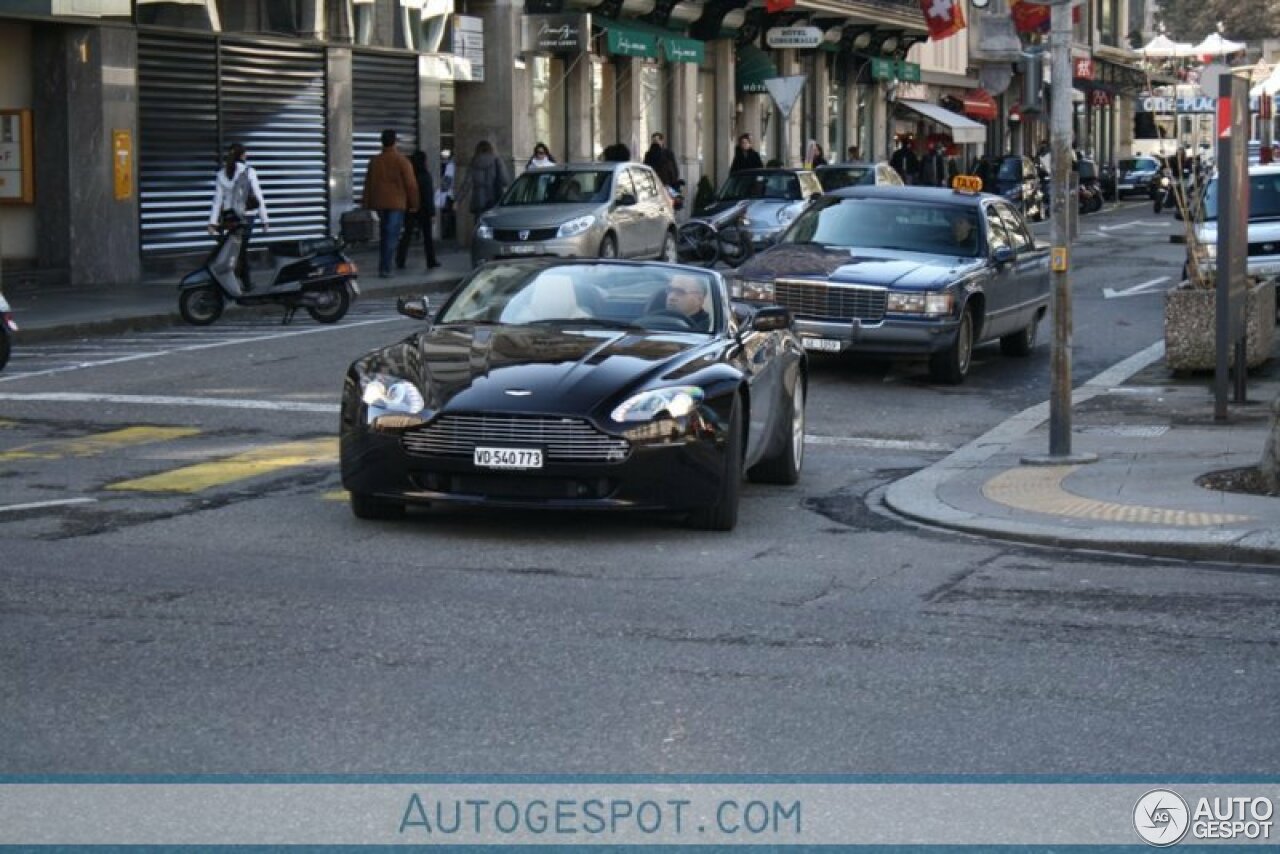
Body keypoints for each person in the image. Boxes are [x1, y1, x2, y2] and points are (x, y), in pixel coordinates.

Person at [207, 142, 269, 290]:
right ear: (243, 155)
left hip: (231, 218)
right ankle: (244, 282)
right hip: (247, 217)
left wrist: (212, 222)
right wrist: (265, 219)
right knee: (241, 250)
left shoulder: (222, 174)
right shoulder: (249, 171)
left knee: (233, 248)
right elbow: (258, 196)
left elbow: (217, 201)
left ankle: (238, 279)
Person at [361, 128, 418, 278]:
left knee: (384, 235)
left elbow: (368, 183)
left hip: (379, 203)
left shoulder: (375, 161)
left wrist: (366, 203)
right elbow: (411, 185)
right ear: (395, 141)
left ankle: (383, 265)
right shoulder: (402, 161)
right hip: (397, 204)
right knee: (391, 236)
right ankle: (385, 268)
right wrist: (414, 204)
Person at [395, 150, 440, 271]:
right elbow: (428, 196)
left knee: (407, 234)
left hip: (410, 208)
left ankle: (400, 259)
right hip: (424, 210)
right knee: (427, 237)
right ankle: (431, 260)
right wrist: (432, 213)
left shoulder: (409, 175)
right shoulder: (425, 175)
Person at [458, 139, 509, 221]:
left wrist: (458, 200)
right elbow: (505, 181)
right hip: (494, 199)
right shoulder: (497, 160)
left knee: (479, 227)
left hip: (478, 201)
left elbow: (466, 184)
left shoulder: (474, 162)